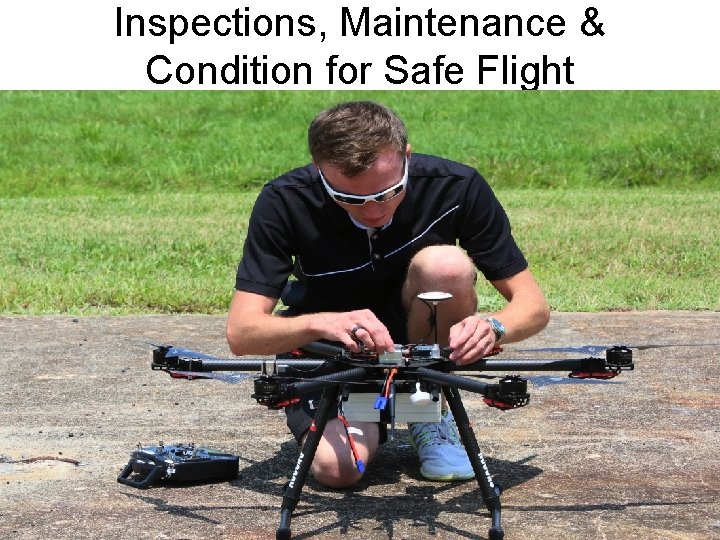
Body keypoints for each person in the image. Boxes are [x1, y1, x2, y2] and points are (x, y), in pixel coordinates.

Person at [226, 101, 549, 488]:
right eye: (348, 198)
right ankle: (377, 404)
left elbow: (533, 306)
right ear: (319, 169)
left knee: (446, 265)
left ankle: (425, 404)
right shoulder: (283, 200)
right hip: (334, 352)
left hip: (418, 348)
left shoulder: (457, 186)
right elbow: (242, 333)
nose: (373, 211)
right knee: (339, 470)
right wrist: (323, 323)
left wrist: (493, 326)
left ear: (406, 156)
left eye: (388, 192)